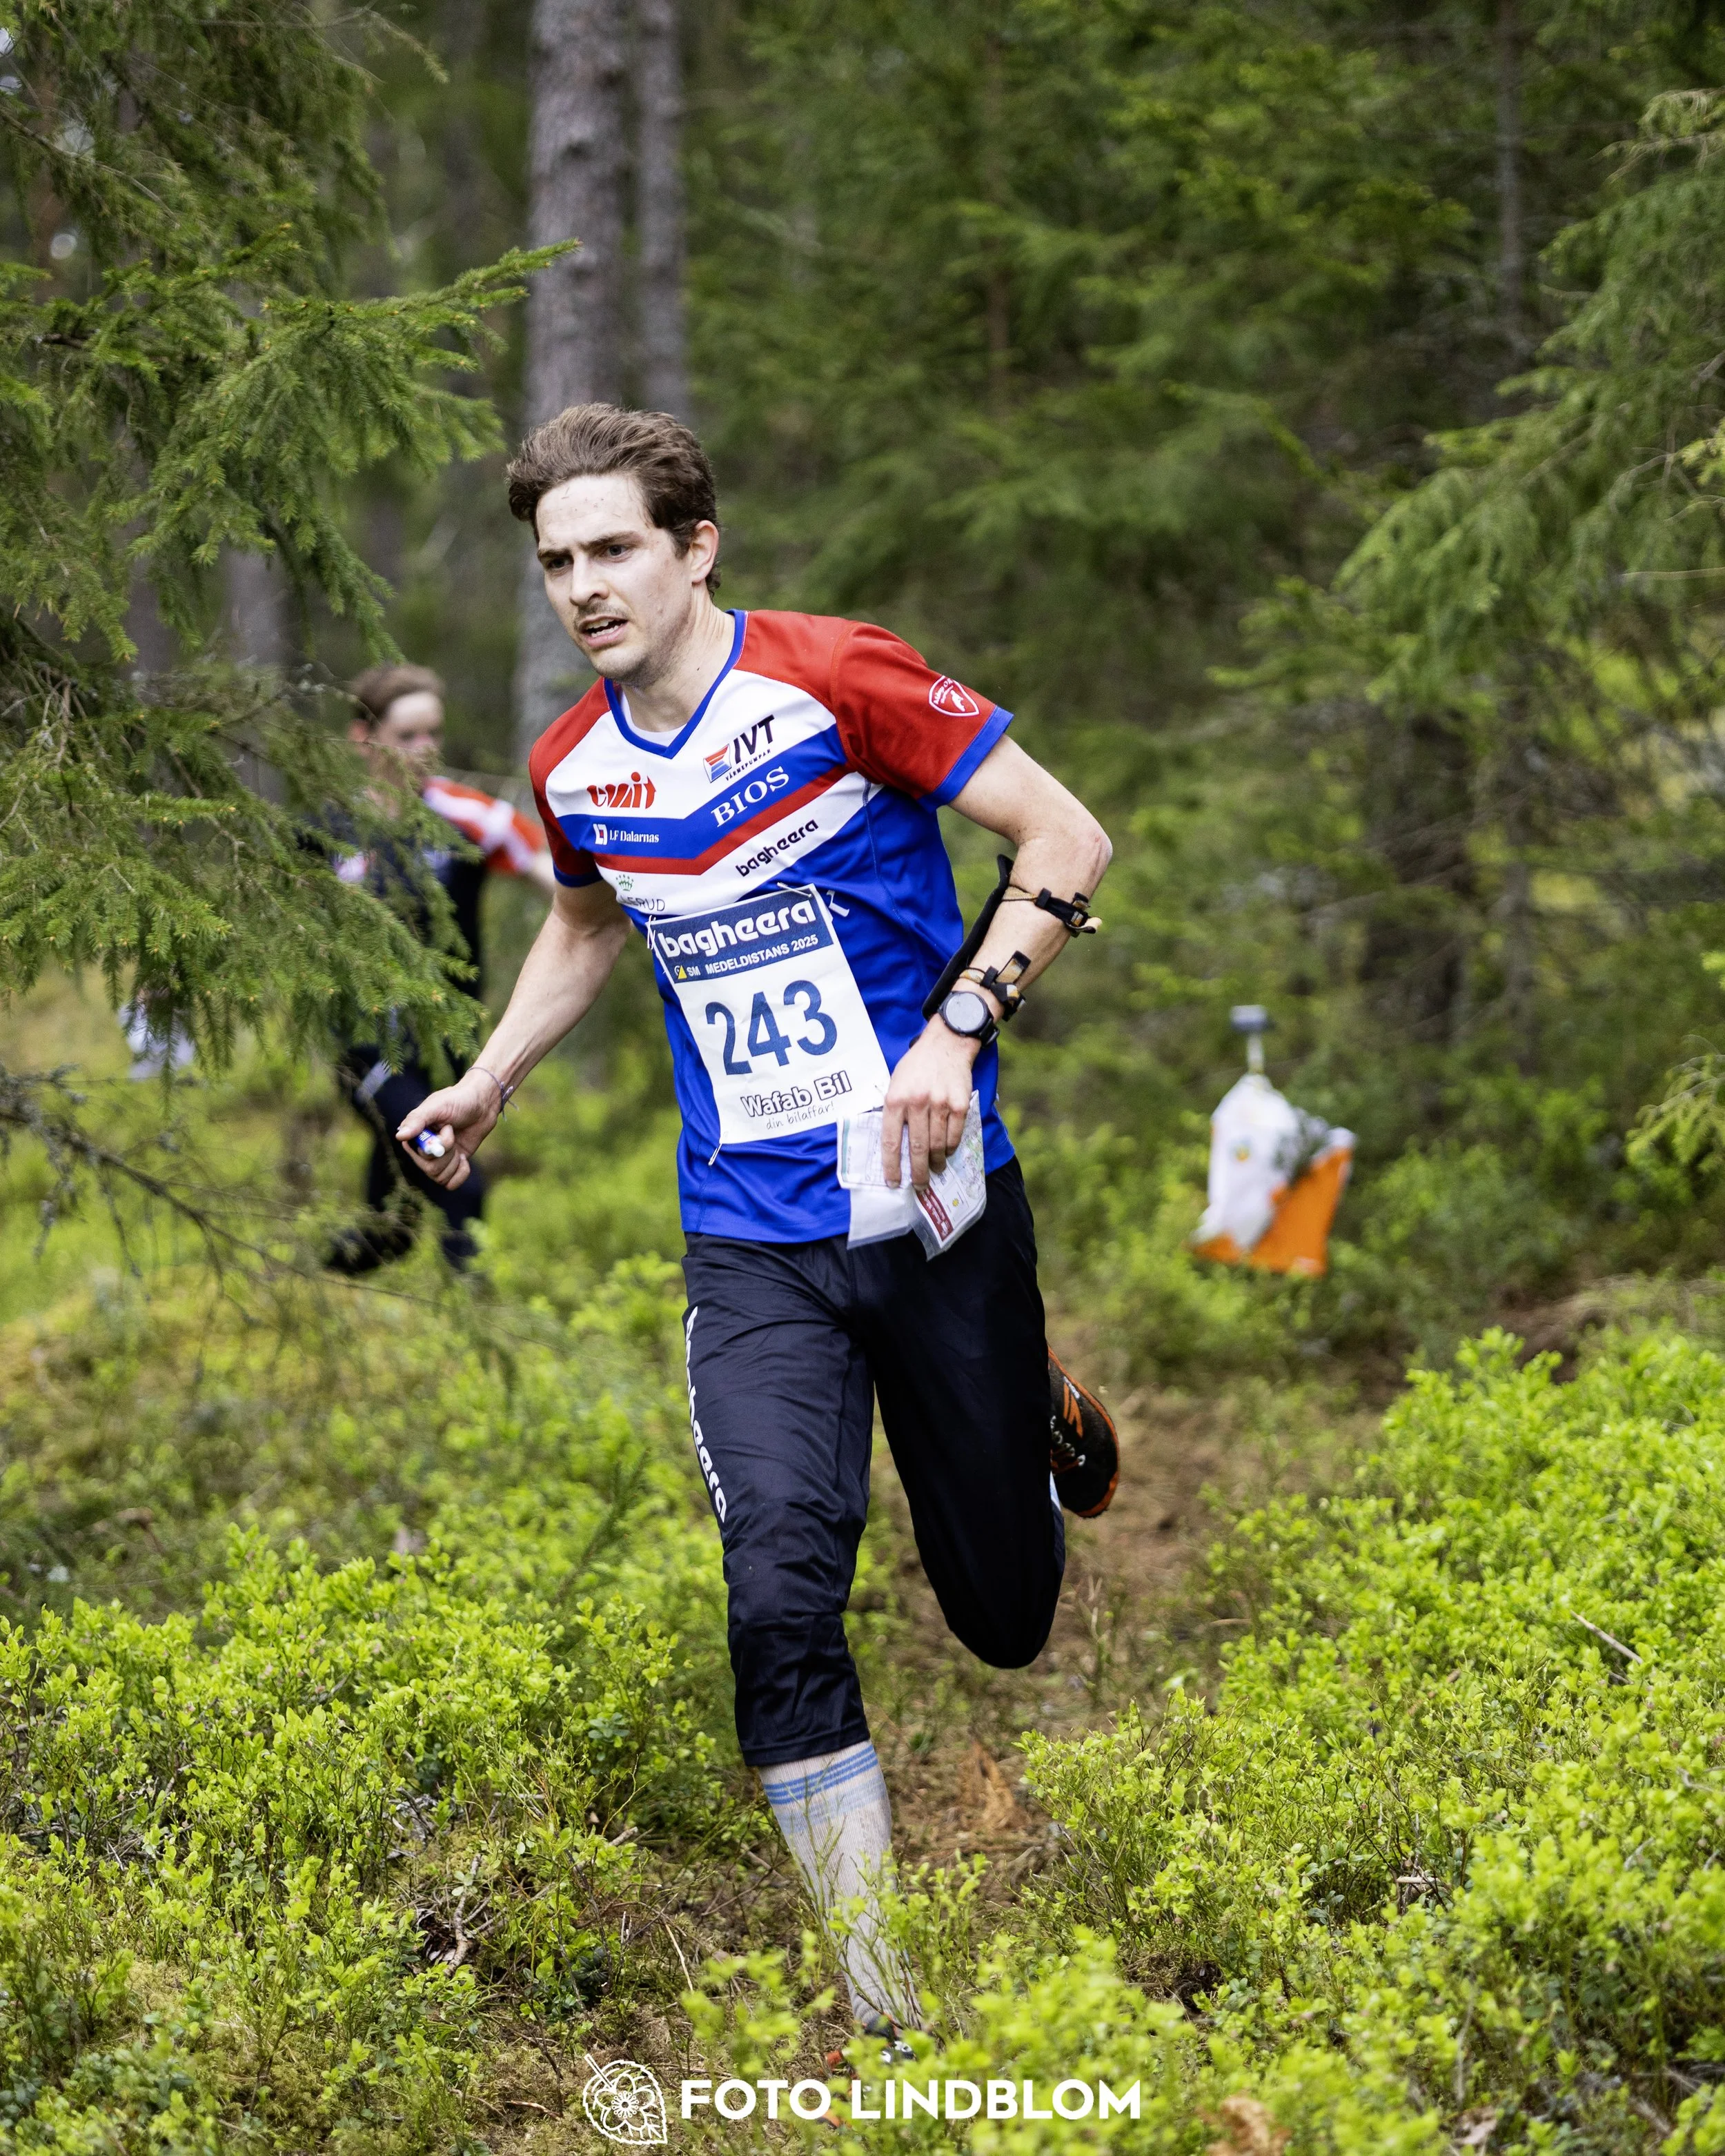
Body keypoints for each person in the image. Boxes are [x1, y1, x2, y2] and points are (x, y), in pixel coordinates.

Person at [397, 406, 1119, 2040]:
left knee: (1002, 1616)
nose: (585, 585)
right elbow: (585, 924)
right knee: (777, 1584)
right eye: (557, 561)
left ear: (695, 546)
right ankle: (881, 1999)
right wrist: (491, 1077)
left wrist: (952, 1034)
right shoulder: (572, 763)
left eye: (615, 549)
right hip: (750, 1238)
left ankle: (1031, 1401)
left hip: (934, 1212)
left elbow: (1063, 838)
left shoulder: (837, 677)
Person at [326, 662, 557, 1274]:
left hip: (448, 1048)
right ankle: (482, 1330)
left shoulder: (469, 817)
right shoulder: (328, 829)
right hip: (366, 1051)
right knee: (462, 1186)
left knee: (391, 1223)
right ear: (364, 739)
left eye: (434, 734)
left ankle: (320, 1277)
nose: (426, 750)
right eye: (409, 736)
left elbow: (569, 892)